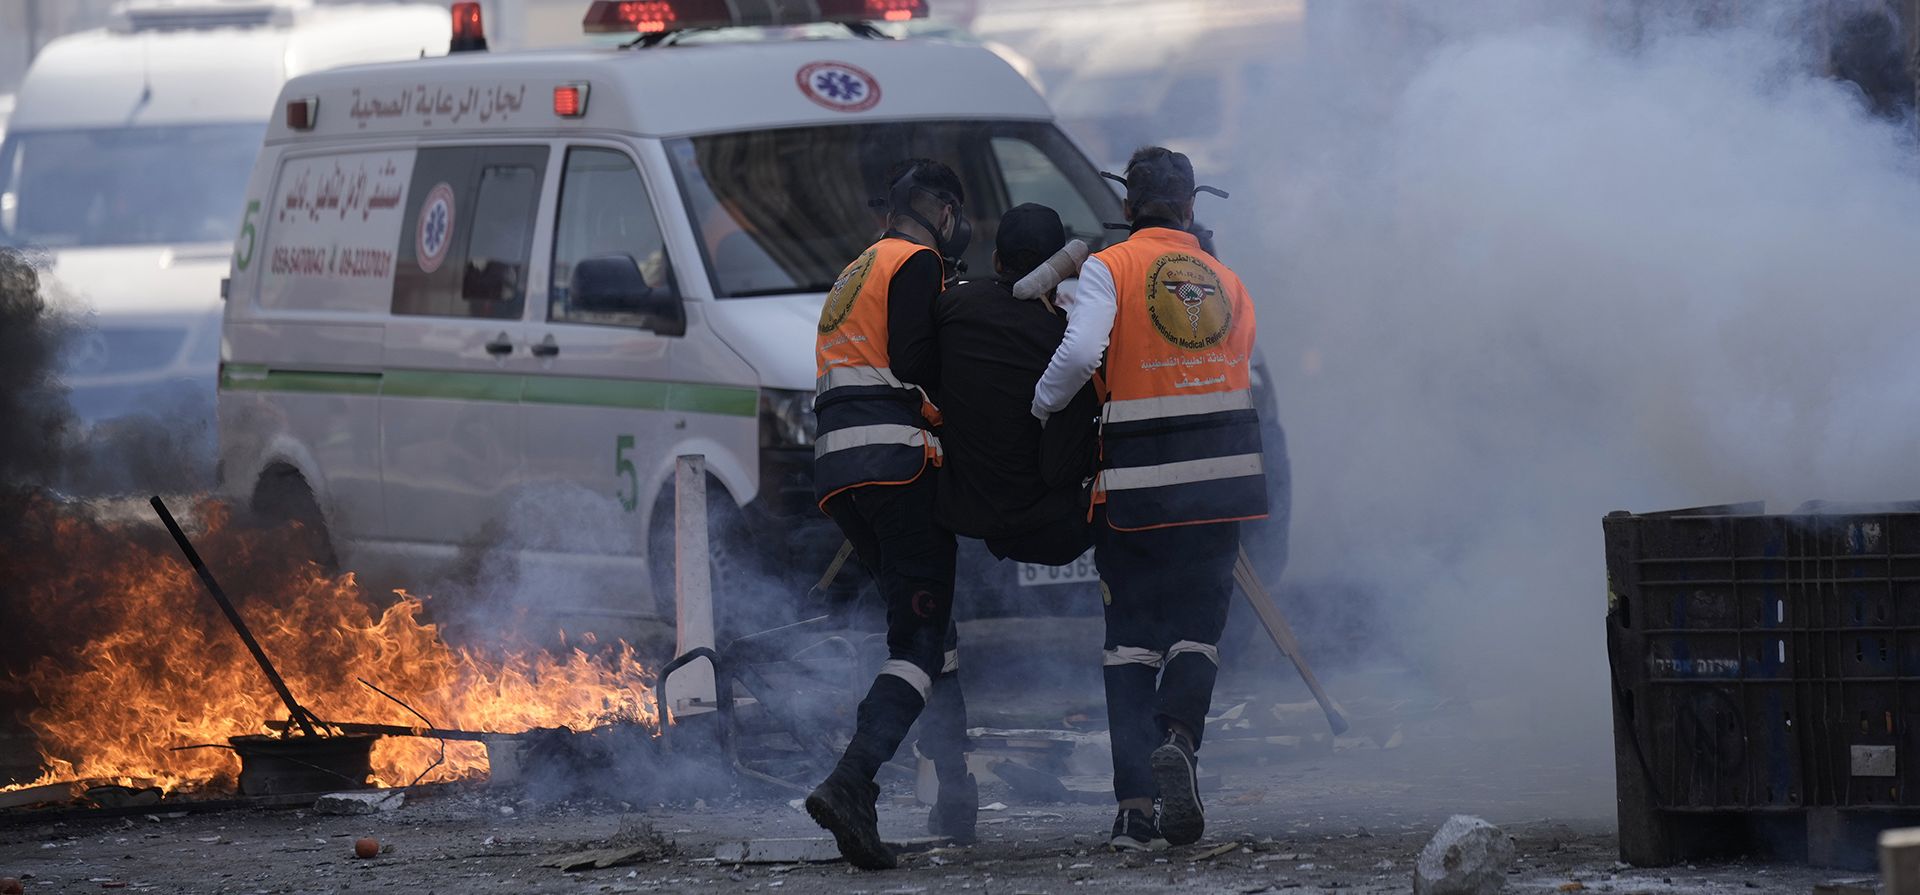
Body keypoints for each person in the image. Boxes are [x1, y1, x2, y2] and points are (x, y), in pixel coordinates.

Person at [1031, 147, 1268, 851]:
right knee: (1197, 632)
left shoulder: (1112, 266)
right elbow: (1241, 368)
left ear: (1128, 208)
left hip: (1134, 490)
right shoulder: (1228, 280)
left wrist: (1042, 407)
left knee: (1130, 646)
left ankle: (1134, 810)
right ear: (1192, 208)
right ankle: (1179, 739)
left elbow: (1078, 356)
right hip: (1222, 485)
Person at [806, 159, 975, 870]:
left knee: (933, 628)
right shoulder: (917, 264)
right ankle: (853, 778)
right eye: (956, 215)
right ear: (941, 213)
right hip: (898, 461)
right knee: (917, 640)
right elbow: (915, 361)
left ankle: (955, 791)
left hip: (843, 470)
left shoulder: (857, 269)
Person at [933, 203, 1098, 565]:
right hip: (1048, 523)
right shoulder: (1065, 340)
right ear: (1063, 270)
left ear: (995, 261)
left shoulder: (951, 309)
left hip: (965, 515)